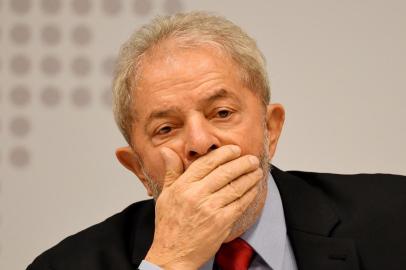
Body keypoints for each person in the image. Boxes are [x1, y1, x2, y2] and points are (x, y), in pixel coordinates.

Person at [27, 11, 406, 270]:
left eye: (222, 113)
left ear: (269, 130)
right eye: (166, 129)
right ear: (139, 168)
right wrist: (171, 261)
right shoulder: (64, 265)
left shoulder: (396, 219)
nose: (200, 142)